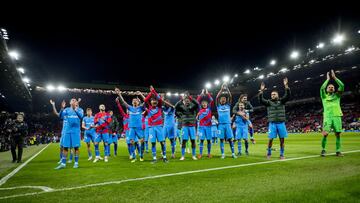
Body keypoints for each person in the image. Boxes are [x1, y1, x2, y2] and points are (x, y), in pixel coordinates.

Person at [258, 78, 291, 159]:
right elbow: (261, 100)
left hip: (281, 123)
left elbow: (288, 96)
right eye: (272, 95)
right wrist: (261, 91)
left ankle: (282, 154)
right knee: (270, 139)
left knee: (282, 140)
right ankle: (269, 153)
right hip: (272, 124)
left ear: (277, 95)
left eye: (274, 94)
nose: (272, 95)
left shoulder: (282, 101)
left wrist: (286, 86)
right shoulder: (268, 102)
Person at [115, 88, 146, 162]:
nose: (134, 101)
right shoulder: (130, 108)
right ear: (132, 103)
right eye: (133, 101)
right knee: (131, 141)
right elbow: (123, 102)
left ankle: (141, 155)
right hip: (131, 128)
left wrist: (141, 94)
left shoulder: (140, 108)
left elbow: (146, 100)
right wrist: (119, 94)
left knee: (142, 141)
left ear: (138, 102)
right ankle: (134, 157)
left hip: (139, 127)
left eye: (136, 101)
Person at [320, 70, 345, 157]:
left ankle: (338, 151)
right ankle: (323, 150)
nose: (331, 88)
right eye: (329, 87)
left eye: (332, 87)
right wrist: (327, 79)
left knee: (338, 134)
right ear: (327, 89)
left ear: (334, 89)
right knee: (325, 134)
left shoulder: (337, 96)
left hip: (337, 116)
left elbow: (342, 85)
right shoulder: (324, 97)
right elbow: (321, 88)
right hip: (327, 117)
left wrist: (334, 78)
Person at [144, 86, 171, 163]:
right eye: (152, 100)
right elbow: (146, 100)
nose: (154, 101)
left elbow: (160, 99)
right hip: (151, 128)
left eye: (155, 100)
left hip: (159, 127)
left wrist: (154, 91)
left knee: (162, 142)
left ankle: (164, 157)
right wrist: (151, 93)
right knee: (153, 143)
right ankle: (154, 158)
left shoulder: (159, 107)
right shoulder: (149, 107)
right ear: (151, 101)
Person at [55, 98, 83, 169]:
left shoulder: (80, 109)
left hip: (76, 131)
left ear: (76, 102)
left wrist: (75, 109)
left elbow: (81, 116)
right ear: (70, 102)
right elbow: (60, 116)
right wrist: (62, 108)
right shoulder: (66, 109)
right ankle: (63, 164)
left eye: (75, 100)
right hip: (67, 131)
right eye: (72, 100)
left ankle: (76, 163)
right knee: (65, 147)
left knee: (76, 147)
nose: (74, 101)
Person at [175, 92, 200, 161]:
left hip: (192, 127)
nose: (187, 101)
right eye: (185, 101)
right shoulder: (182, 108)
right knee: (184, 141)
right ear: (184, 101)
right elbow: (176, 107)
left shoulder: (193, 107)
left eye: (188, 100)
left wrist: (191, 98)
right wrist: (181, 100)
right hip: (185, 127)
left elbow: (197, 104)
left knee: (193, 141)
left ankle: (193, 155)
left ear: (190, 101)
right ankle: (182, 156)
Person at [216, 84, 236, 159]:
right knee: (221, 139)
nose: (223, 99)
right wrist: (221, 90)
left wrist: (227, 89)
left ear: (226, 100)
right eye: (222, 99)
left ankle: (233, 153)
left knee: (230, 139)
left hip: (228, 124)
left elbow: (230, 97)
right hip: (221, 125)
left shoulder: (228, 106)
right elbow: (217, 97)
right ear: (220, 100)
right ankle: (223, 154)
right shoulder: (218, 106)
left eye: (224, 98)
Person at [196, 89, 214, 159]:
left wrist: (207, 93)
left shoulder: (209, 108)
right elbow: (197, 101)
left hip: (208, 127)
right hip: (201, 127)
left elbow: (211, 100)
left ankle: (209, 153)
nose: (204, 104)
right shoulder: (200, 109)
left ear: (207, 104)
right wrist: (201, 94)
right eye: (203, 103)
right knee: (202, 140)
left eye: (205, 103)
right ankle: (200, 154)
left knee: (209, 140)